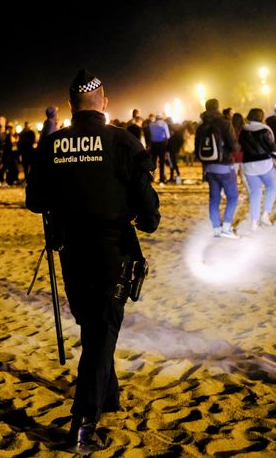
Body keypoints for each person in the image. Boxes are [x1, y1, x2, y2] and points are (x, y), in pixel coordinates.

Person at [26, 70, 160, 453]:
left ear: (71, 106)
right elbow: (147, 211)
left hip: (71, 249)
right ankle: (84, 424)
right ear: (104, 102)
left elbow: (35, 201)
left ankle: (108, 395)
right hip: (111, 248)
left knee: (93, 325)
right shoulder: (124, 142)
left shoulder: (53, 145)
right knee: (101, 331)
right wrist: (147, 219)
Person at [196, 98, 241, 238]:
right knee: (233, 197)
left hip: (209, 168)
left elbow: (197, 150)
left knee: (214, 199)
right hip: (225, 166)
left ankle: (216, 228)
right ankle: (226, 227)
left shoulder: (201, 126)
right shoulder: (224, 123)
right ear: (218, 107)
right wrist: (238, 147)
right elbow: (233, 146)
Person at [239, 108, 276, 231]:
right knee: (271, 186)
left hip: (249, 165)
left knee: (255, 192)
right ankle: (265, 214)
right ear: (261, 117)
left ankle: (254, 222)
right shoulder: (265, 129)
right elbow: (272, 148)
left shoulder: (243, 130)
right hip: (264, 164)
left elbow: (240, 146)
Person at [148, 114, 170, 185]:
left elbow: (150, 135)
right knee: (162, 162)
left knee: (153, 162)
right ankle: (161, 179)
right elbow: (168, 136)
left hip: (154, 144)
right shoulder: (164, 124)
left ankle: (151, 178)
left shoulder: (151, 124)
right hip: (162, 144)